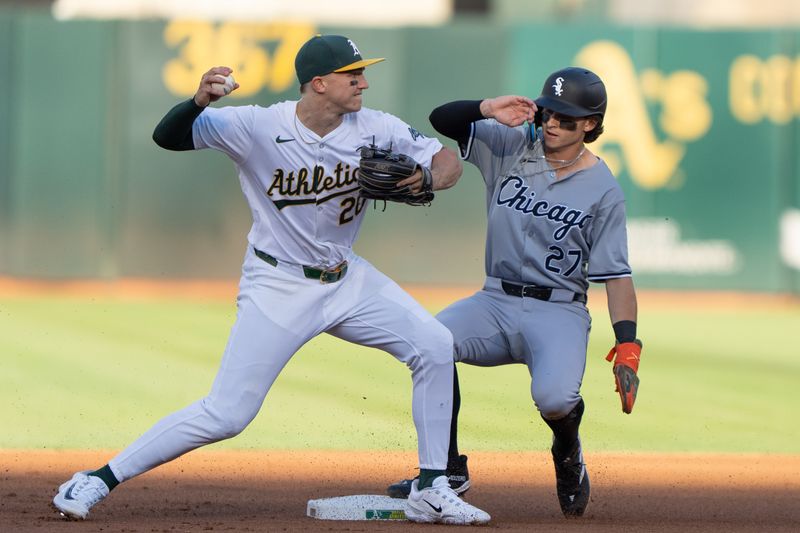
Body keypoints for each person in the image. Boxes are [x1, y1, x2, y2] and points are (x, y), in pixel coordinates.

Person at [52, 34, 490, 526]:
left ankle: (432, 485)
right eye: (353, 75)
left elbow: (446, 161)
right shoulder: (256, 125)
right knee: (227, 414)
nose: (364, 82)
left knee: (433, 342)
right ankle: (96, 478)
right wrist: (198, 101)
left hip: (347, 278)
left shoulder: (377, 126)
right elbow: (168, 136)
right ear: (319, 84)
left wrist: (430, 178)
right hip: (278, 284)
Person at [386, 67, 642, 518]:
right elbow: (442, 118)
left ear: (590, 125)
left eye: (566, 117)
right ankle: (447, 470)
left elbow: (616, 275)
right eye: (548, 112)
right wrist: (487, 108)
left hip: (558, 311)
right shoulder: (510, 145)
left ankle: (568, 454)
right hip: (494, 300)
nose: (552, 123)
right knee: (430, 342)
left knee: (555, 400)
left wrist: (627, 344)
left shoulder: (604, 191)